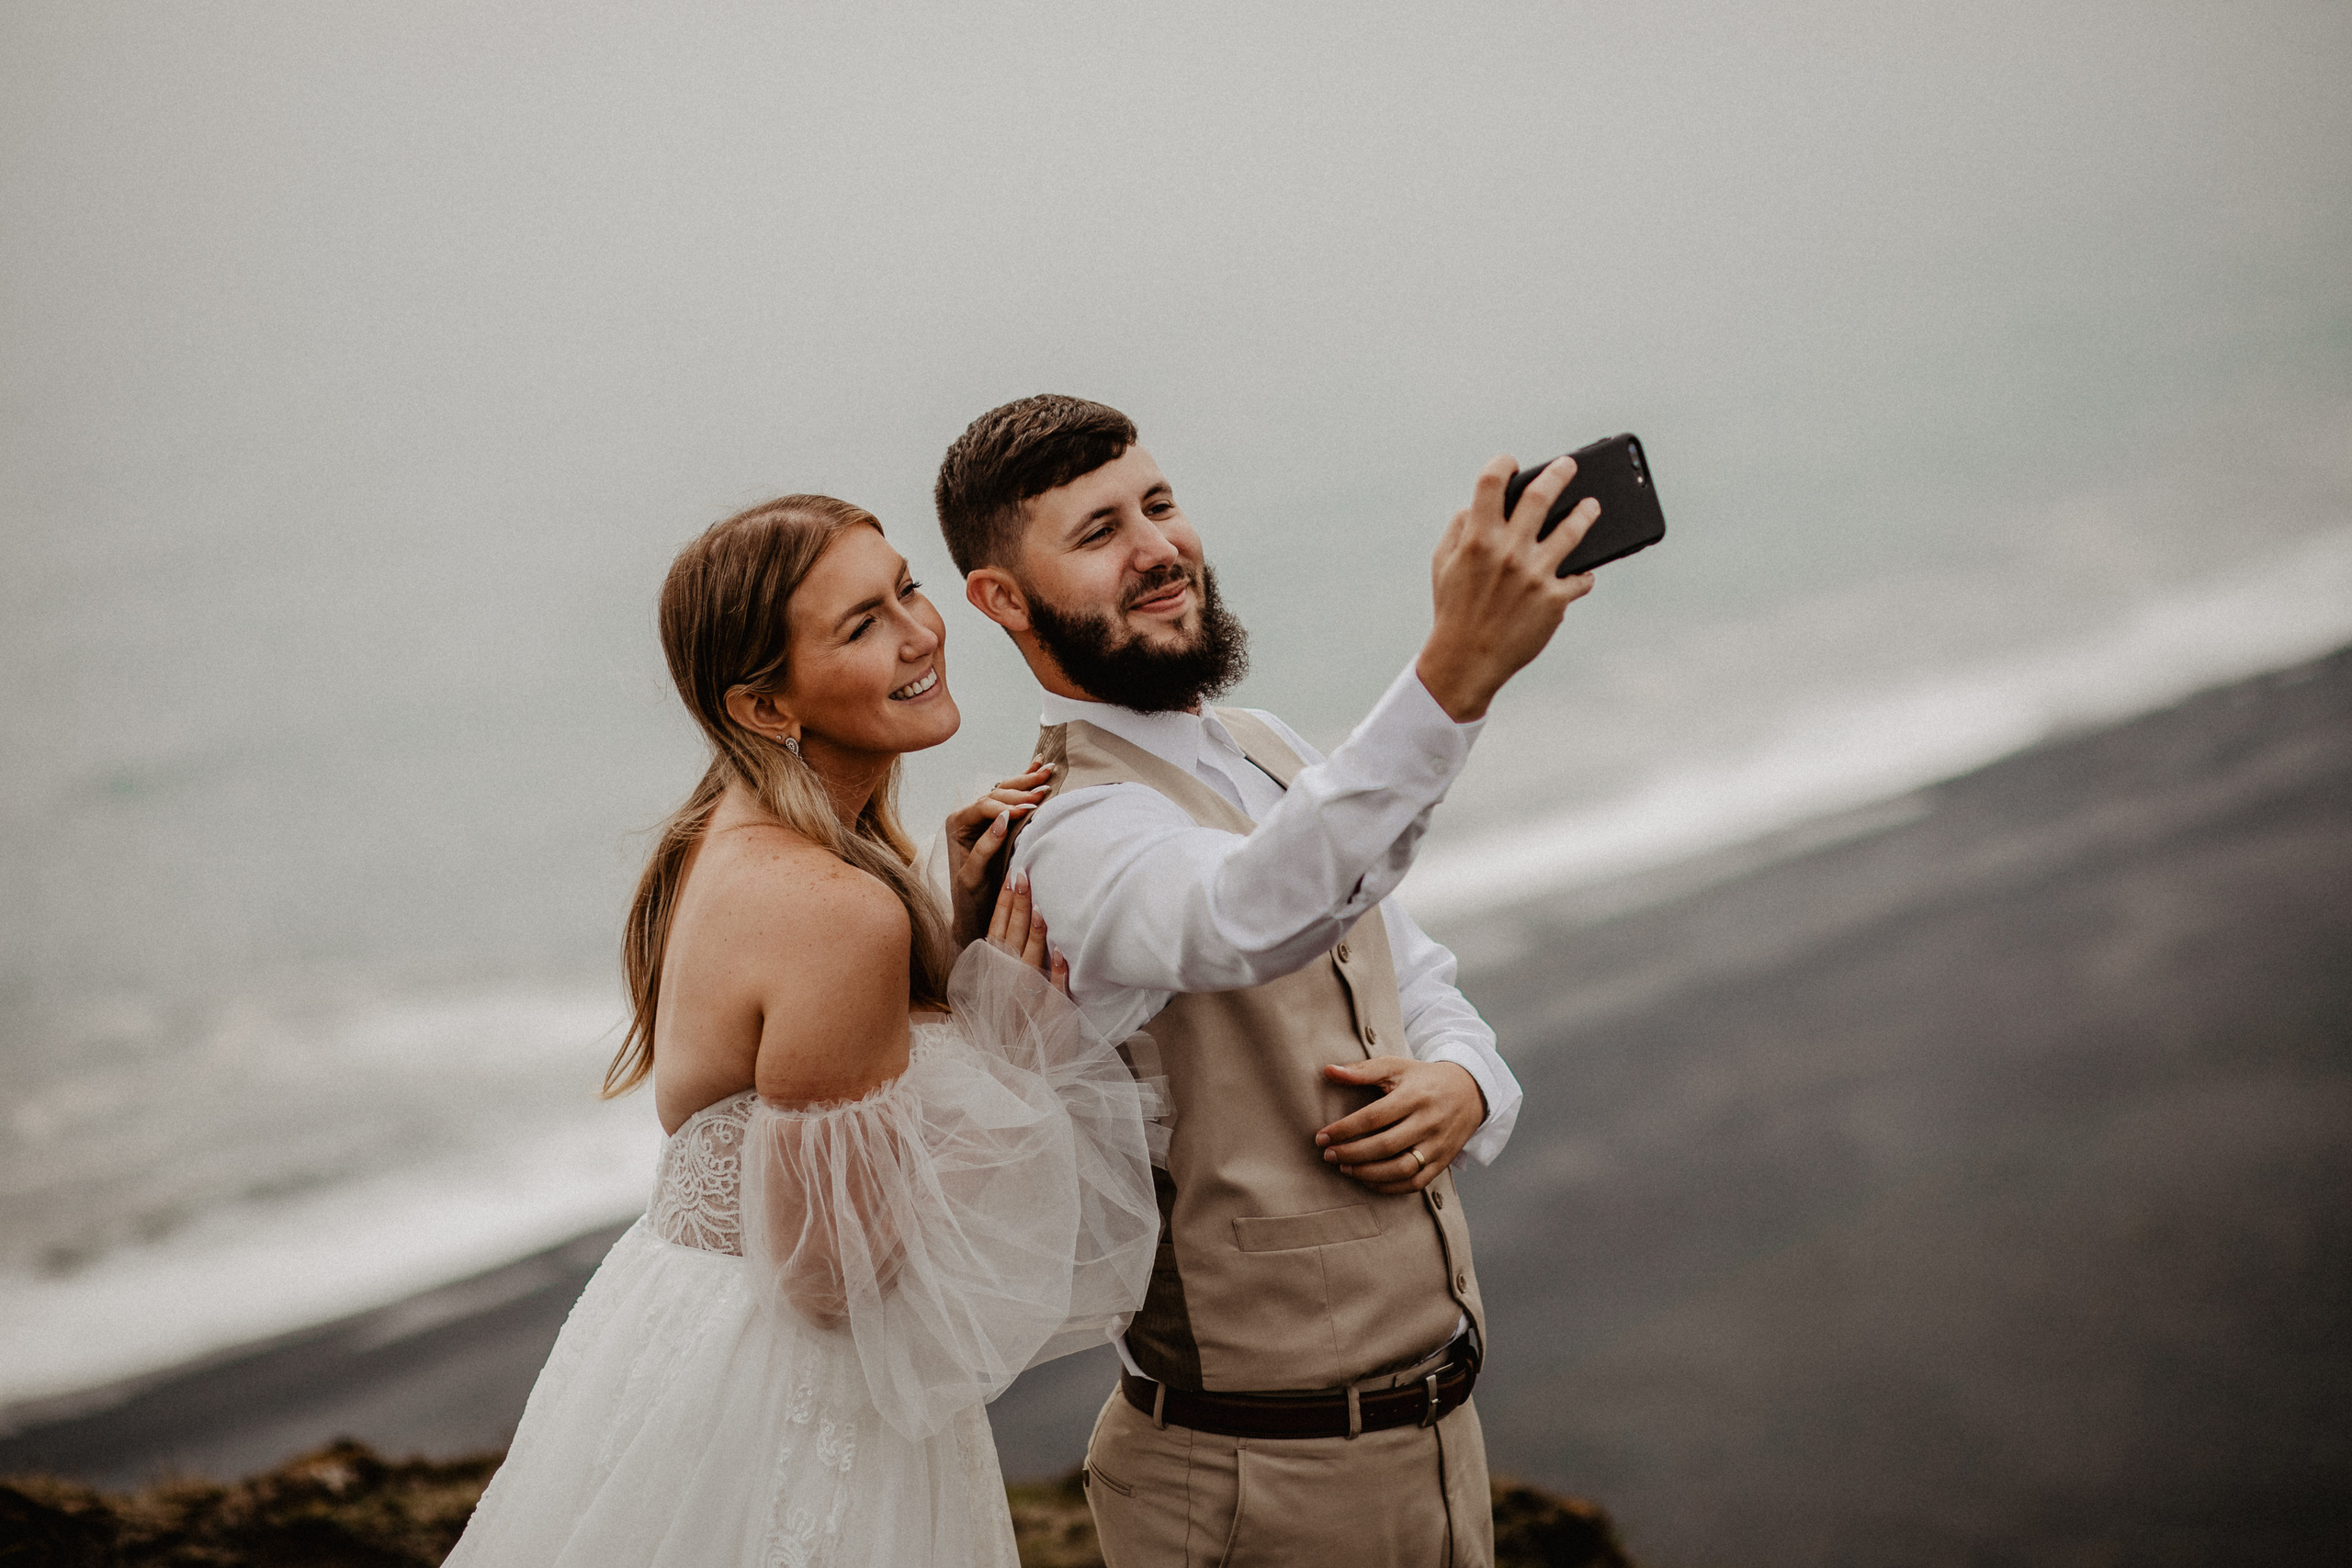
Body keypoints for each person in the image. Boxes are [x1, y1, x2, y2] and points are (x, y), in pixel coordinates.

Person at [934, 395, 1600, 1567]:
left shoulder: (1267, 746)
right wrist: (1452, 676)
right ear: (1000, 600)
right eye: (1097, 533)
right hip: (1248, 1485)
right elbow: (1245, 914)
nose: (1157, 548)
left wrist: (1465, 1081)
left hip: (1436, 1446)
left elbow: (1413, 965)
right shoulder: (1062, 836)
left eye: (1159, 503)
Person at [446, 495, 1160, 1567]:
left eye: (906, 588)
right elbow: (835, 1276)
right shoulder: (833, 908)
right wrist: (1001, 1021)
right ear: (768, 707)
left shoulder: (731, 833)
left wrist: (945, 935)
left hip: (668, 1336)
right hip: (780, 1394)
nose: (920, 632)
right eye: (860, 625)